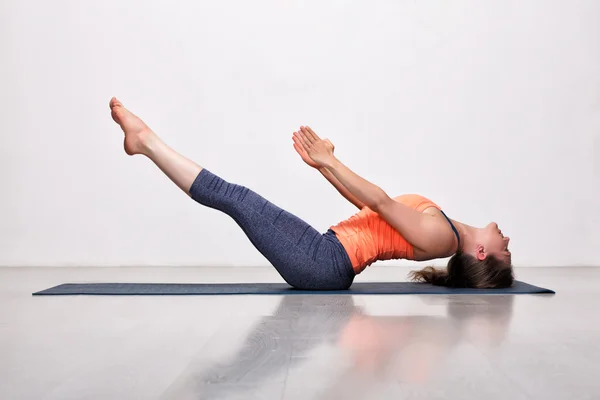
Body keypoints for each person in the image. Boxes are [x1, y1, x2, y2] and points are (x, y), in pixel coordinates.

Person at [109, 97, 513, 290]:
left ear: (481, 254)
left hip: (324, 264)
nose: (507, 240)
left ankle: (145, 142)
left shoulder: (444, 237)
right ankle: (144, 143)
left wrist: (332, 162)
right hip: (324, 254)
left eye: (504, 250)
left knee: (235, 197)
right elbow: (369, 209)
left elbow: (381, 202)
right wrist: (325, 166)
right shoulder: (444, 227)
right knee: (238, 197)